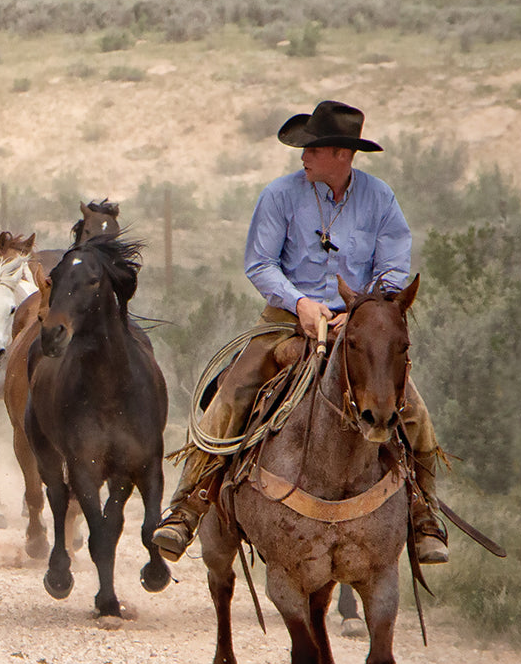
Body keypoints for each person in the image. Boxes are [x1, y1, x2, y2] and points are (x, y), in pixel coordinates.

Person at [152, 99, 449, 565]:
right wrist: (302, 304)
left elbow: (393, 271)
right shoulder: (280, 196)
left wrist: (357, 311)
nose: (304, 155)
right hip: (285, 321)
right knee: (231, 395)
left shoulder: (380, 199)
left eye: (314, 148)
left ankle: (424, 513)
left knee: (412, 412)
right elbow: (260, 264)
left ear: (342, 155)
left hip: (359, 325)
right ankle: (188, 505)